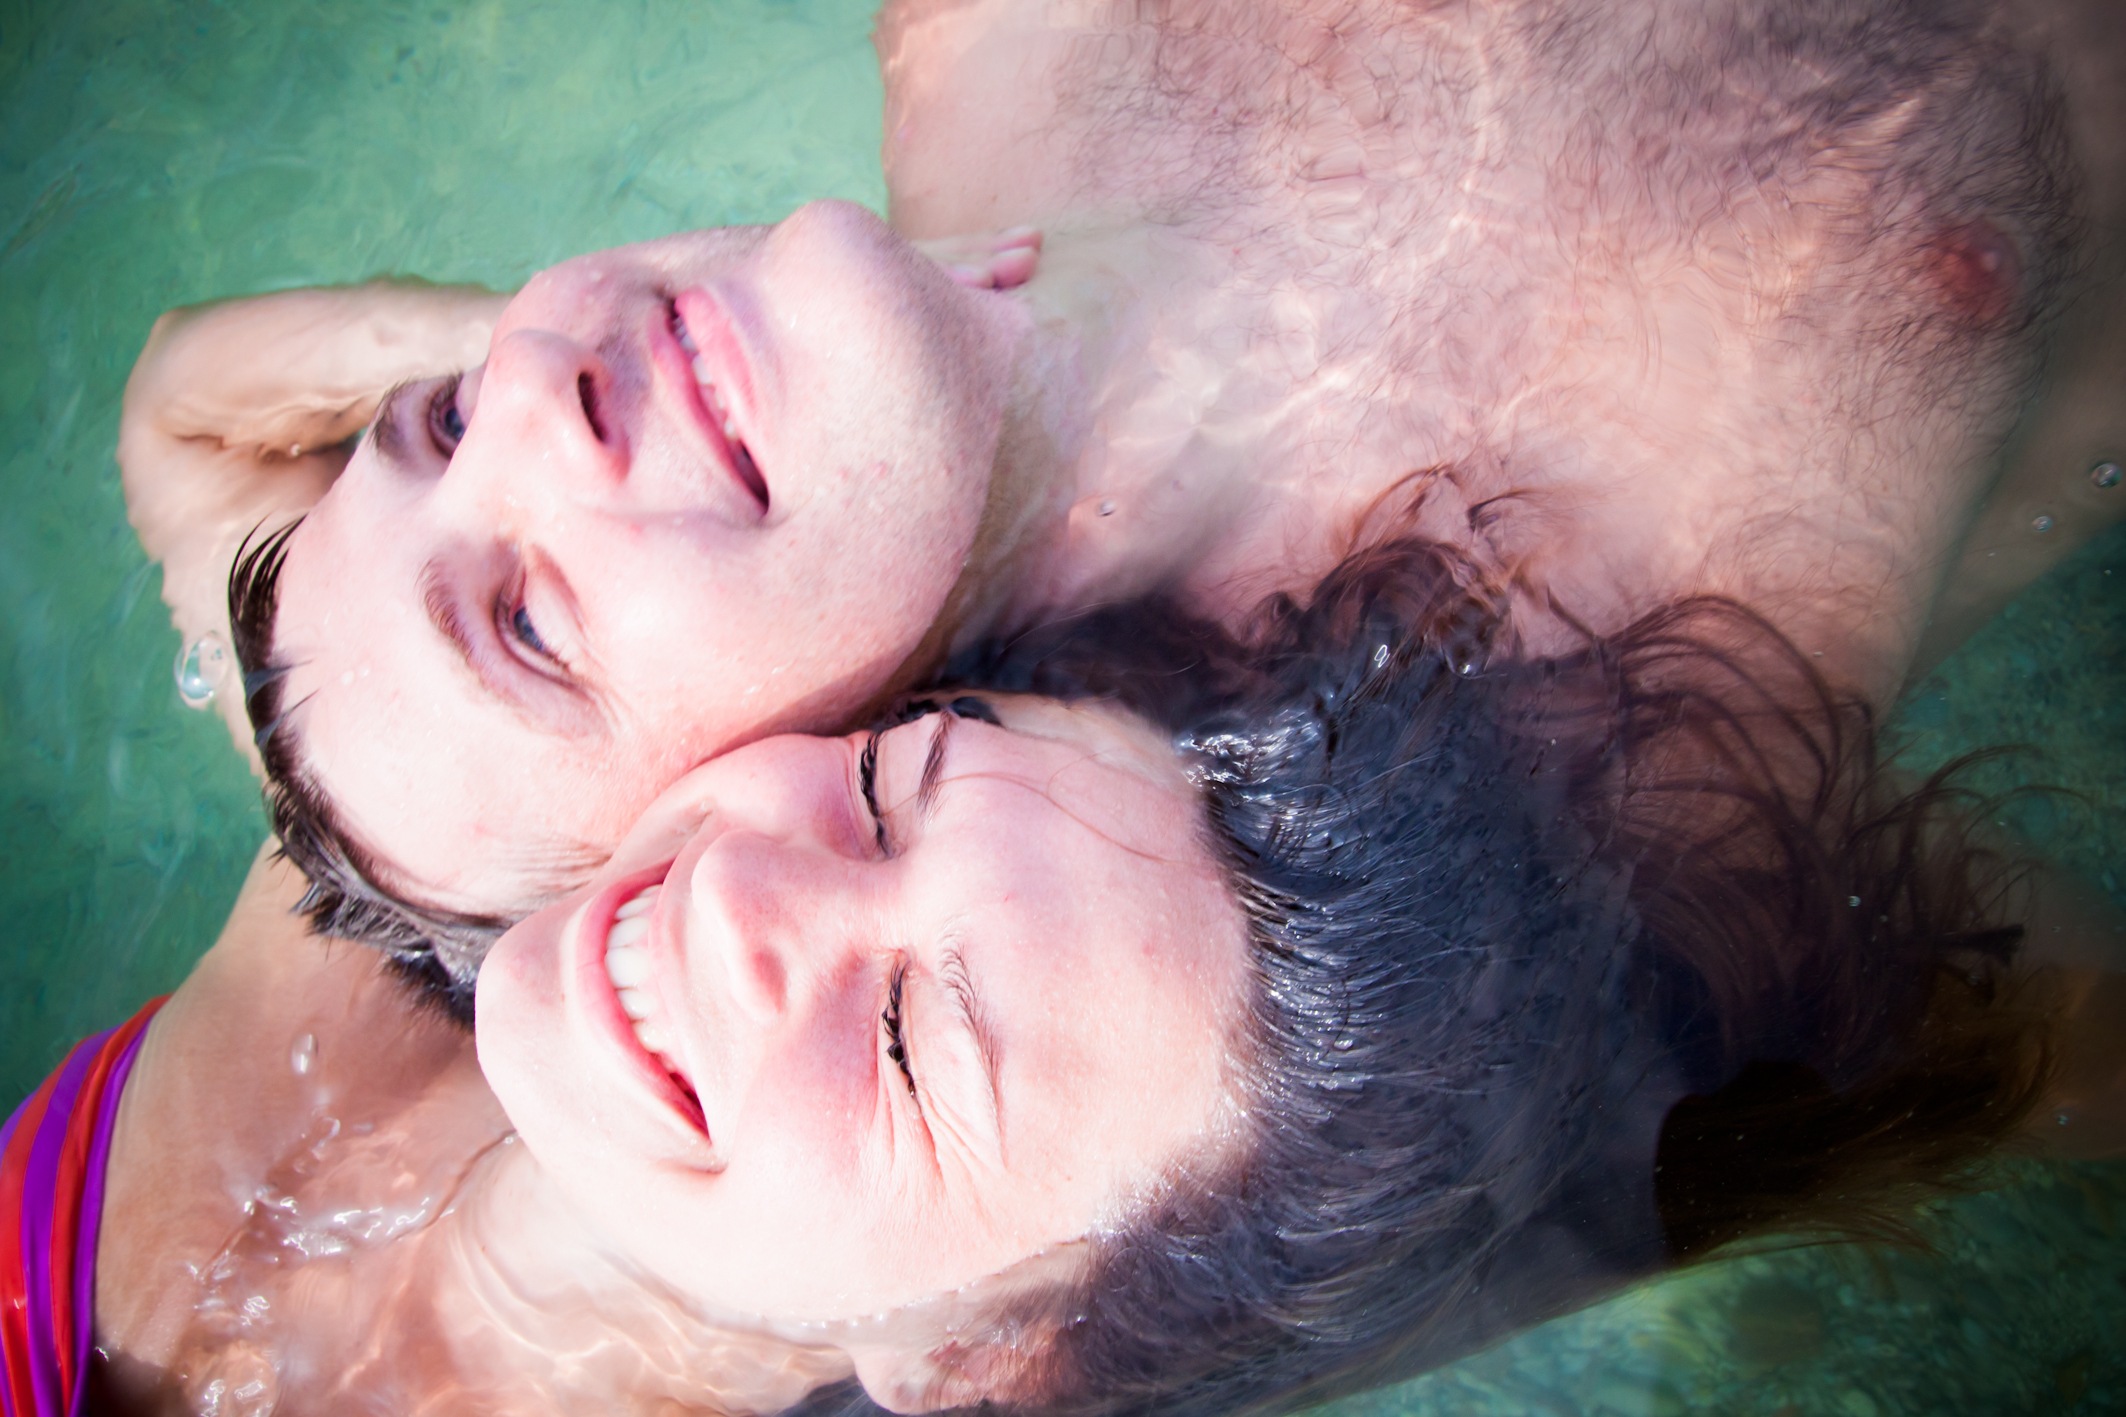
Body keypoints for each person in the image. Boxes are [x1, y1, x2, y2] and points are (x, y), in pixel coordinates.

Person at [119, 0, 2126, 996]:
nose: (529, 399)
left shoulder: (992, 35)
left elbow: (179, 423)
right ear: (766, 790)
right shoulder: (1601, 742)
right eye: (530, 622)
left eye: (441, 420)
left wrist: (567, 360)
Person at [13, 538, 2109, 1415]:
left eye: (910, 1042)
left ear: (969, 1356)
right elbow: (209, 428)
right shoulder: (427, 869)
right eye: (881, 779)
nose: (746, 899)